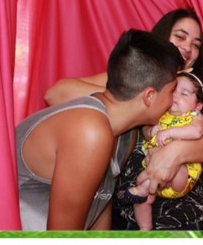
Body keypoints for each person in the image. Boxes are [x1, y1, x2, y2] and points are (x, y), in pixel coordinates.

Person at [45, 8, 203, 230]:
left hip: (191, 217)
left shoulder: (196, 85)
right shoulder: (137, 71)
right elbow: (55, 94)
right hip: (129, 216)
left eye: (196, 44)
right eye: (180, 37)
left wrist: (176, 152)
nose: (188, 47)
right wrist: (133, 90)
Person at [15, 29, 182, 231]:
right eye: (172, 90)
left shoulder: (124, 131)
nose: (174, 99)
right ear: (149, 96)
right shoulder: (89, 131)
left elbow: (100, 202)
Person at [121, 69, 203, 231]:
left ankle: (143, 188)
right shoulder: (163, 114)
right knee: (142, 200)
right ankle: (145, 229)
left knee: (174, 168)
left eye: (184, 93)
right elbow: (147, 131)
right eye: (174, 90)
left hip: (181, 176)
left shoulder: (193, 116)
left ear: (198, 105)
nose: (176, 95)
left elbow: (197, 132)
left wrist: (169, 132)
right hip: (155, 175)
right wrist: (152, 131)